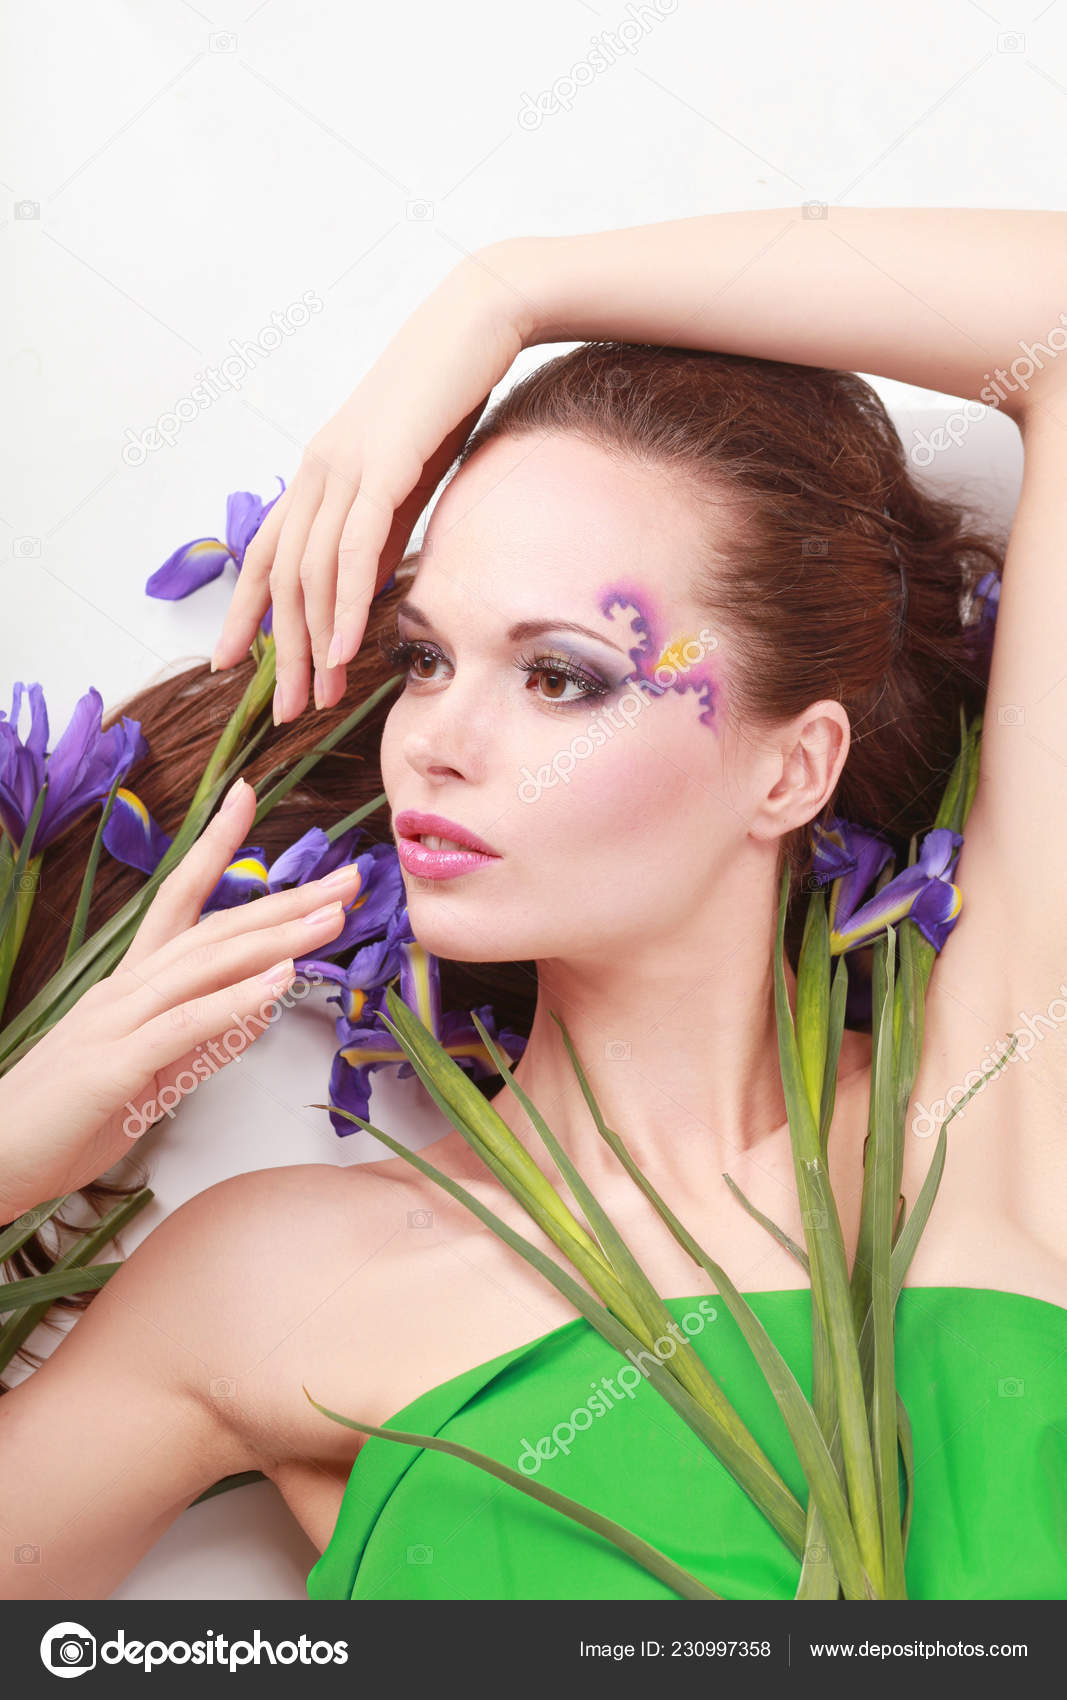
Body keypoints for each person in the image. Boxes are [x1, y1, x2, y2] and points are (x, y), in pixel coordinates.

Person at [1, 207, 1064, 1603]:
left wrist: (508, 289)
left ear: (792, 768)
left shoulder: (989, 1103)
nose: (434, 741)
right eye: (425, 659)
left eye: (560, 676)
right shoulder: (274, 1284)